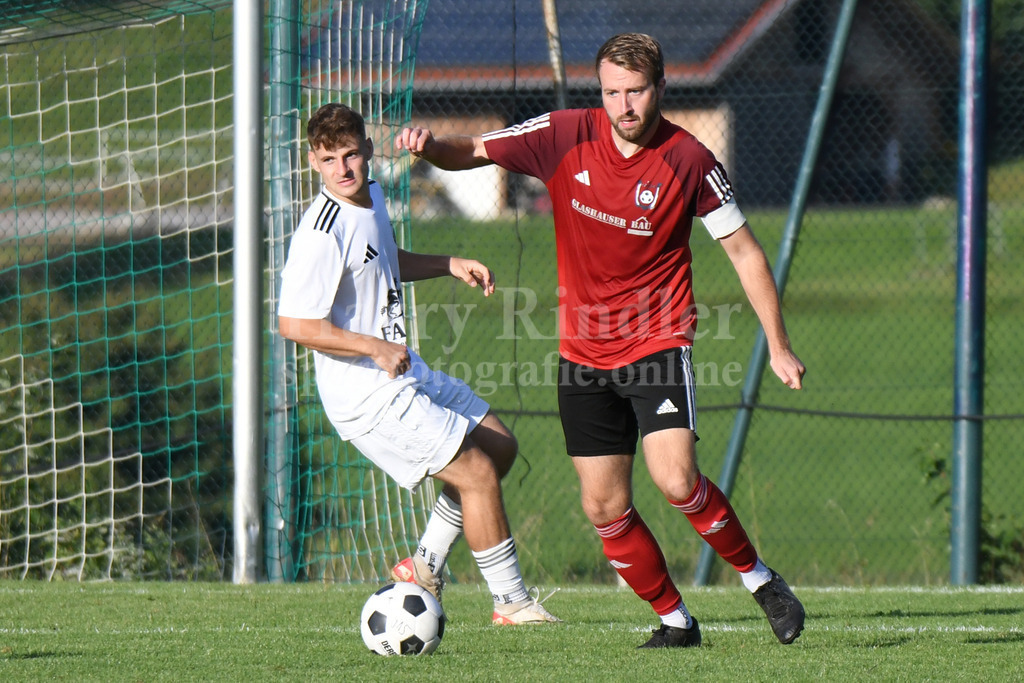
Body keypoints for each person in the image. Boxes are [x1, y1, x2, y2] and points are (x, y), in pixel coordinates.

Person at [396, 32, 806, 647]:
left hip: (657, 342)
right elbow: (475, 150)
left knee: (675, 480)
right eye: (612, 92)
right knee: (604, 507)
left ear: (661, 88)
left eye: (636, 91)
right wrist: (432, 151)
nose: (624, 106)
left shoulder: (689, 160)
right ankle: (675, 622)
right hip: (581, 355)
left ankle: (761, 580)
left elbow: (745, 253)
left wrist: (777, 343)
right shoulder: (563, 134)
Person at [278, 102, 560, 626]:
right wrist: (375, 347)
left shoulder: (374, 196)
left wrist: (447, 264)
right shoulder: (321, 231)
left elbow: (383, 257)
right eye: (328, 160)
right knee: (475, 473)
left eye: (351, 155)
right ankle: (511, 603)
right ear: (313, 162)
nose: (342, 169)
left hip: (399, 371)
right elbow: (294, 325)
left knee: (498, 445)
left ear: (367, 150)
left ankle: (425, 565)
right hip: (364, 393)